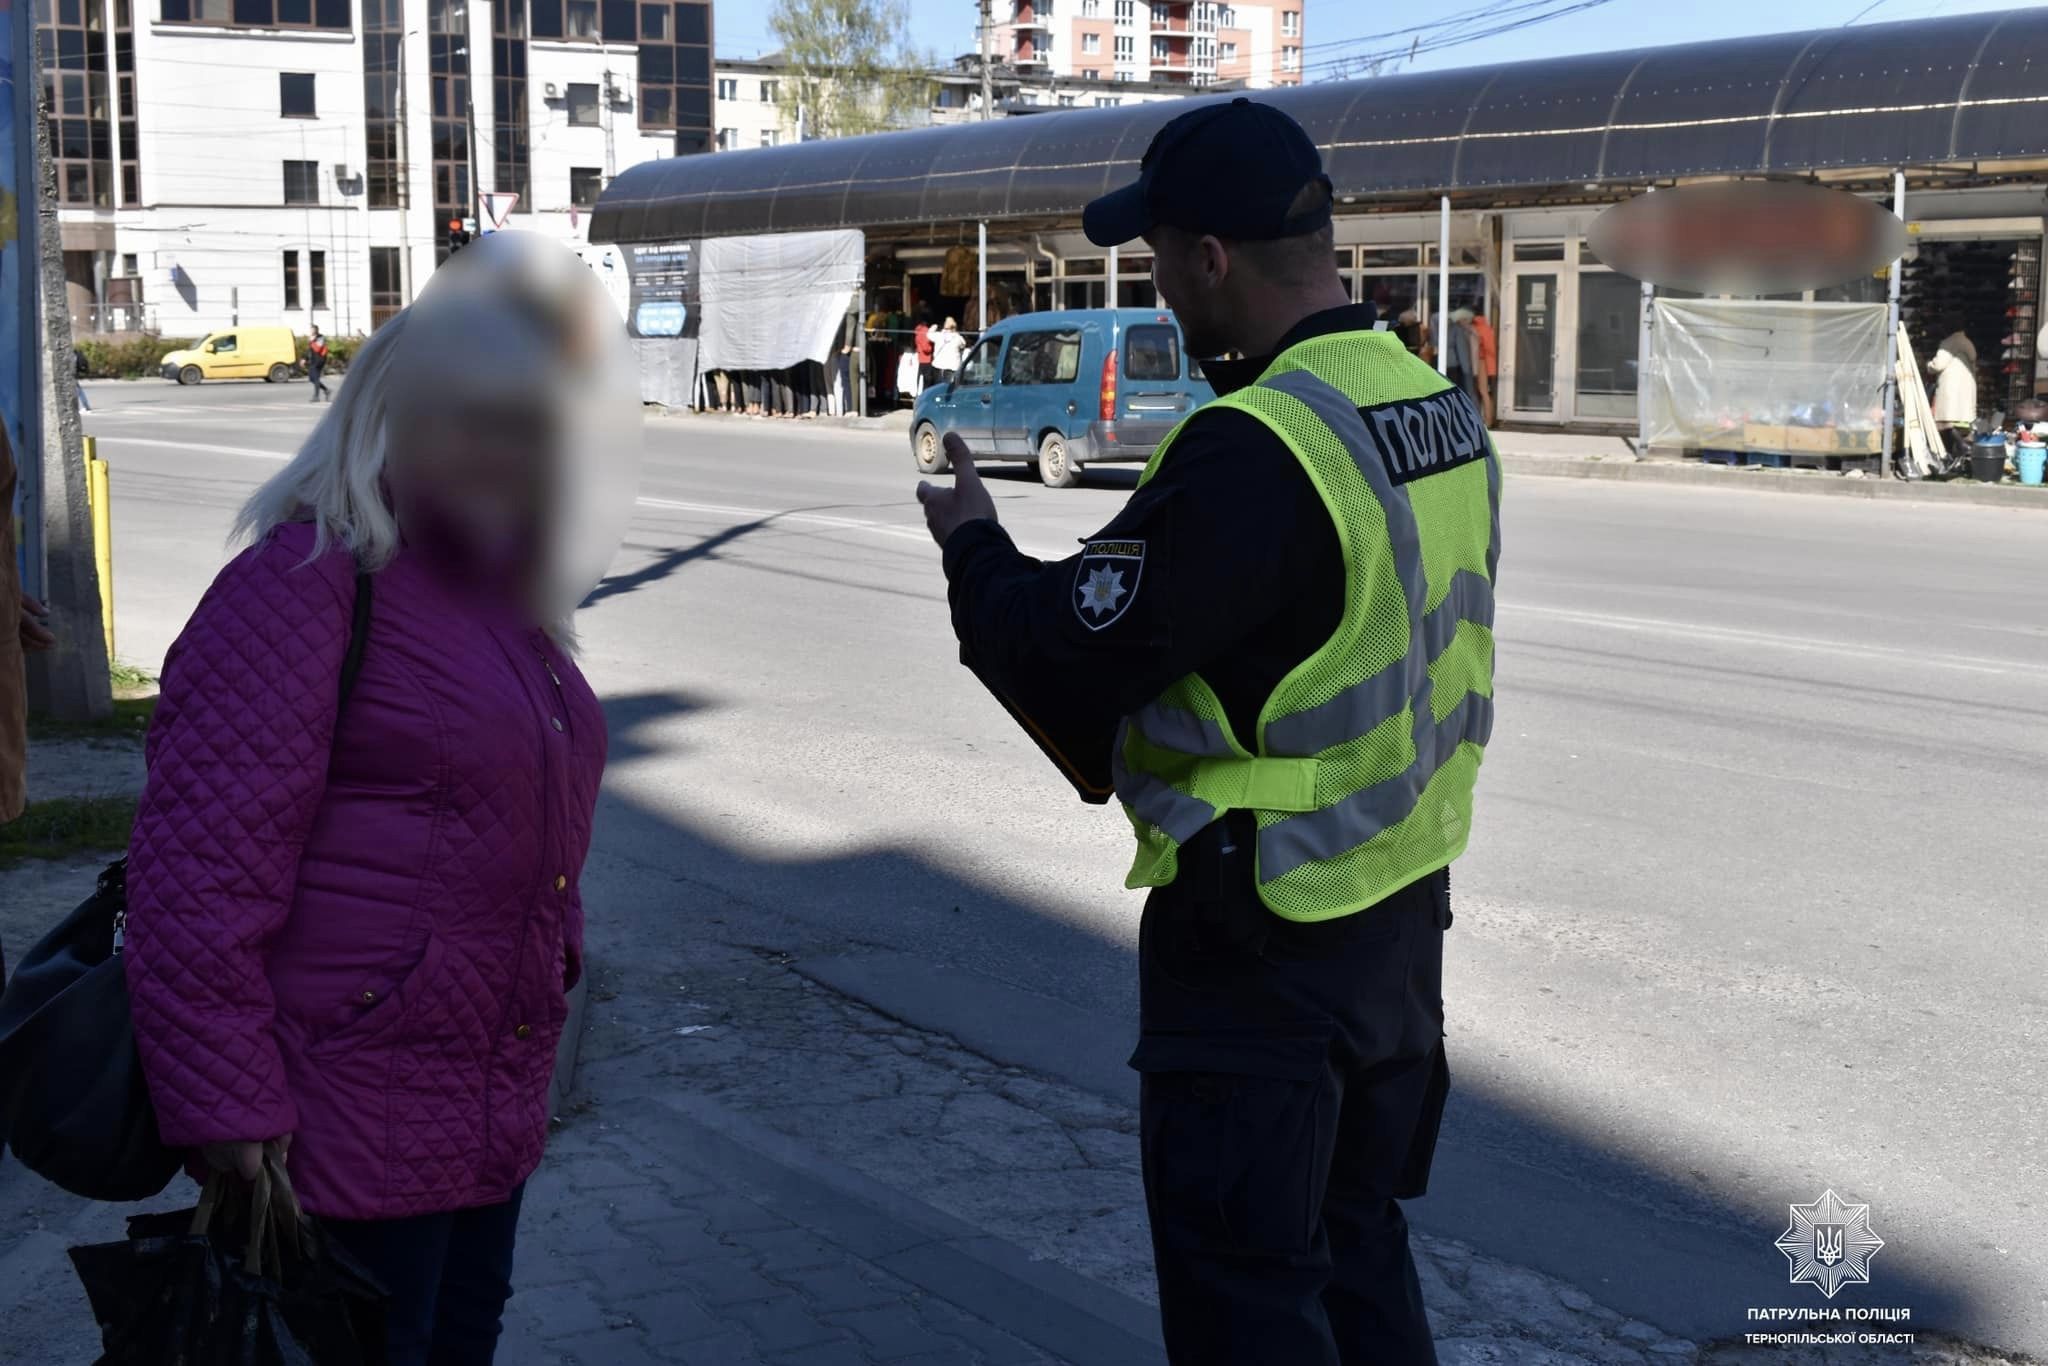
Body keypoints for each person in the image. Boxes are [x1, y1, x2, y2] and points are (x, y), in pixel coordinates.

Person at [916, 99, 1498, 1366]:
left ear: (1208, 259)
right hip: (1396, 925)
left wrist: (969, 540)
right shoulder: (1436, 408)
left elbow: (1066, 648)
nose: (1161, 290)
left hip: (1263, 943)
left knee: (1247, 1296)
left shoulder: (1256, 447)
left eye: (1162, 260)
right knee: (1353, 1254)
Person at [124, 235, 627, 1366]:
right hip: (339, 1106)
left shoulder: (506, 605)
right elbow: (195, 881)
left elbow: (536, 818)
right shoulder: (303, 585)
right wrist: (228, 1103)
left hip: (482, 1099)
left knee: (455, 1342)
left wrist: (554, 969)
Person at [1468, 303, 1498, 426]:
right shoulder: (1486, 327)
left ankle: (1488, 420)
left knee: (1483, 391)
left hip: (1481, 361)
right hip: (1486, 362)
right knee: (1484, 391)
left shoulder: (1477, 328)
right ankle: (1488, 419)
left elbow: (1487, 348)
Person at [931, 316, 966, 382]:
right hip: (952, 366)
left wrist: (934, 327)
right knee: (949, 387)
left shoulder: (938, 335)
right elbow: (963, 344)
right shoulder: (957, 337)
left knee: (938, 387)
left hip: (938, 365)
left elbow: (928, 335)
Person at [306, 324, 331, 403]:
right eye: (311, 330)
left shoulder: (320, 338)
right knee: (311, 378)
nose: (311, 331)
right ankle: (326, 390)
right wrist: (304, 359)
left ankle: (316, 396)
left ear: (316, 330)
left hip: (319, 360)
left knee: (316, 378)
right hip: (313, 360)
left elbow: (317, 349)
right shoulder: (311, 339)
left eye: (313, 330)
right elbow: (309, 350)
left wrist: (312, 341)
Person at [915, 308, 937, 396]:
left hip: (920, 357)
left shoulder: (918, 330)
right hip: (926, 359)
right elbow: (926, 348)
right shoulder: (925, 331)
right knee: (926, 381)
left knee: (921, 379)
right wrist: (931, 347)